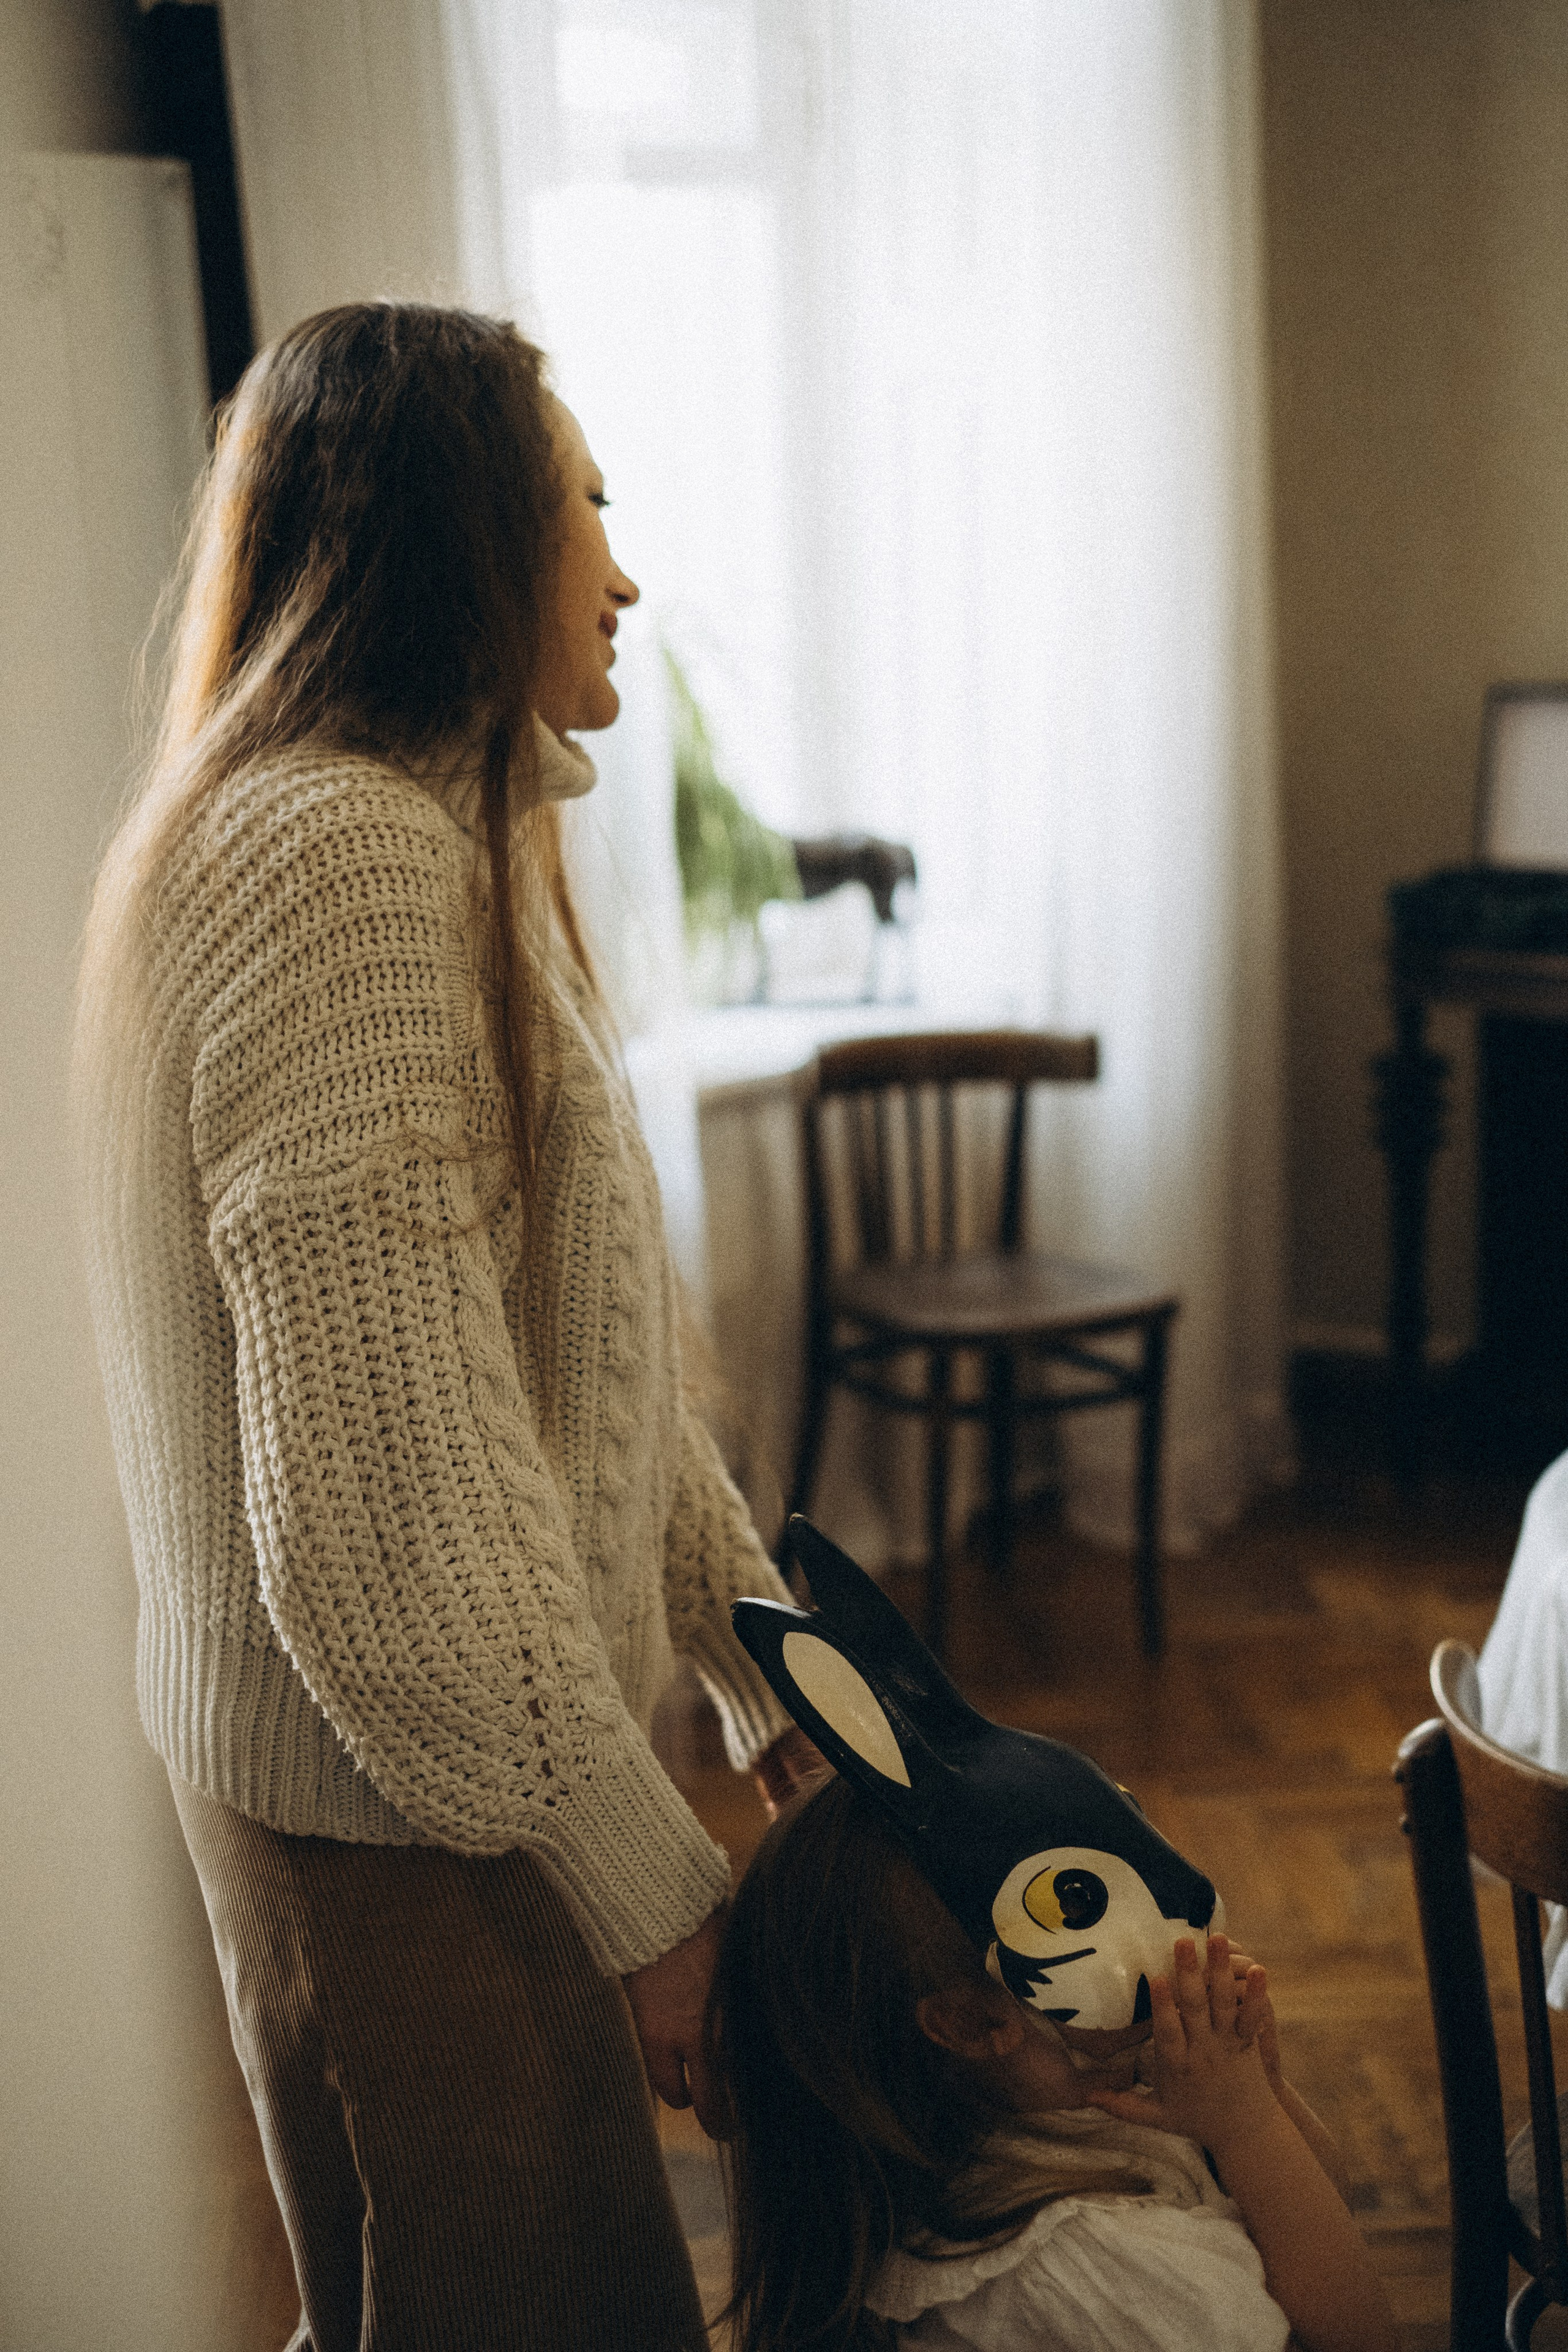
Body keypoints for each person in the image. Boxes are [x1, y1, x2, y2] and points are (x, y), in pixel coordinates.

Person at [72, 301, 815, 2351]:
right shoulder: (339, 867)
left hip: (411, 1777)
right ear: (462, 536)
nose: (626, 569)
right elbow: (396, 1533)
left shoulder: (420, 832)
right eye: (587, 504)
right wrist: (658, 1899)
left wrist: (767, 1668)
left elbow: (569, 1374)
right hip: (400, 1812)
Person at [707, 1774, 1401, 2352]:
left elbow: (1319, 2206)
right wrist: (1248, 2126)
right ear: (973, 2024)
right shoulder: (1087, 2267)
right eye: (1080, 1906)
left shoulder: (1069, 2096)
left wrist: (1261, 2094)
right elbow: (1356, 2334)